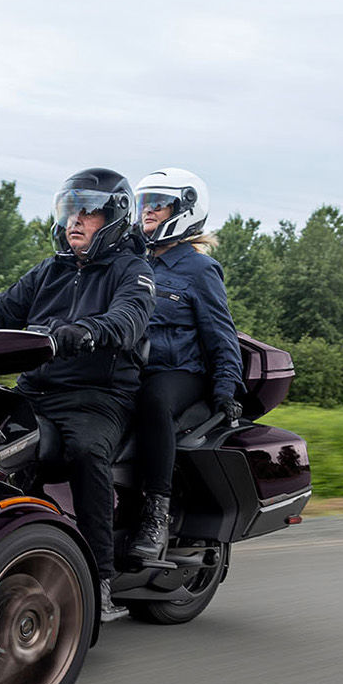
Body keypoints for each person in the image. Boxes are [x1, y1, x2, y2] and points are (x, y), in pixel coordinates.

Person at [0, 168, 155, 622]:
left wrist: (83, 333)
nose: (75, 220)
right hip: (36, 390)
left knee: (86, 451)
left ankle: (98, 581)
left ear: (113, 219)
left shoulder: (133, 270)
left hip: (97, 396)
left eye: (88, 212)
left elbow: (128, 320)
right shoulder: (48, 271)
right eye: (71, 210)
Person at [126, 167, 244, 566]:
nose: (148, 213)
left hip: (181, 372)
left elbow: (221, 333)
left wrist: (227, 388)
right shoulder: (132, 262)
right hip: (133, 368)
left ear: (185, 210)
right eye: (144, 205)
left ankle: (155, 513)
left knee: (153, 400)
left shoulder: (198, 269)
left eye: (158, 205)